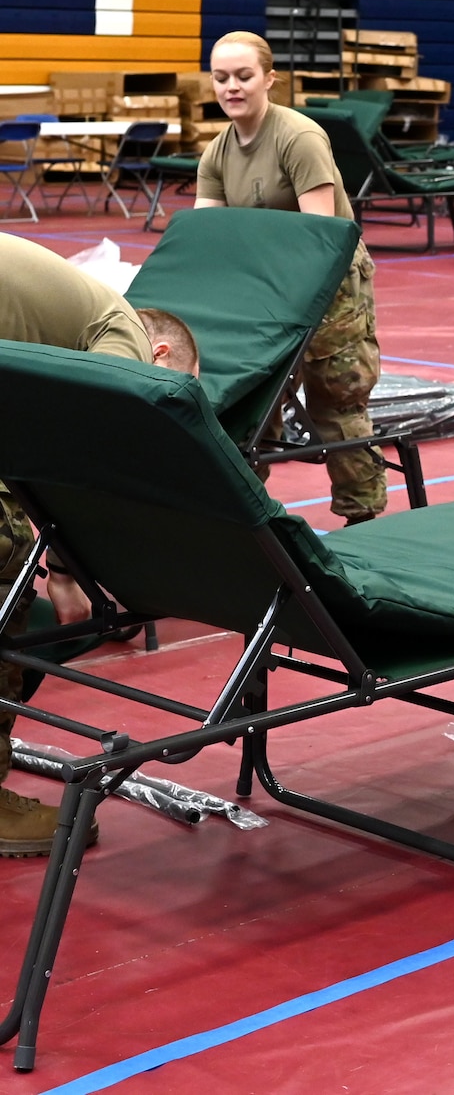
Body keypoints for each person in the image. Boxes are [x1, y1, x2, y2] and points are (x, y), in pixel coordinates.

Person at [0, 233, 199, 855]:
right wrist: (62, 569)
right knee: (4, 564)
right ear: (159, 352)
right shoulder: (126, 343)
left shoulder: (67, 315)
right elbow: (83, 462)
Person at [196, 31, 385, 523]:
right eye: (221, 78)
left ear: (269, 80)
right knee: (248, 400)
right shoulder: (216, 154)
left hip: (330, 282)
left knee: (335, 401)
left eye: (243, 76)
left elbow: (320, 237)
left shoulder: (298, 137)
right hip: (264, 286)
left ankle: (361, 518)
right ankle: (248, 516)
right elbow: (205, 238)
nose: (231, 87)